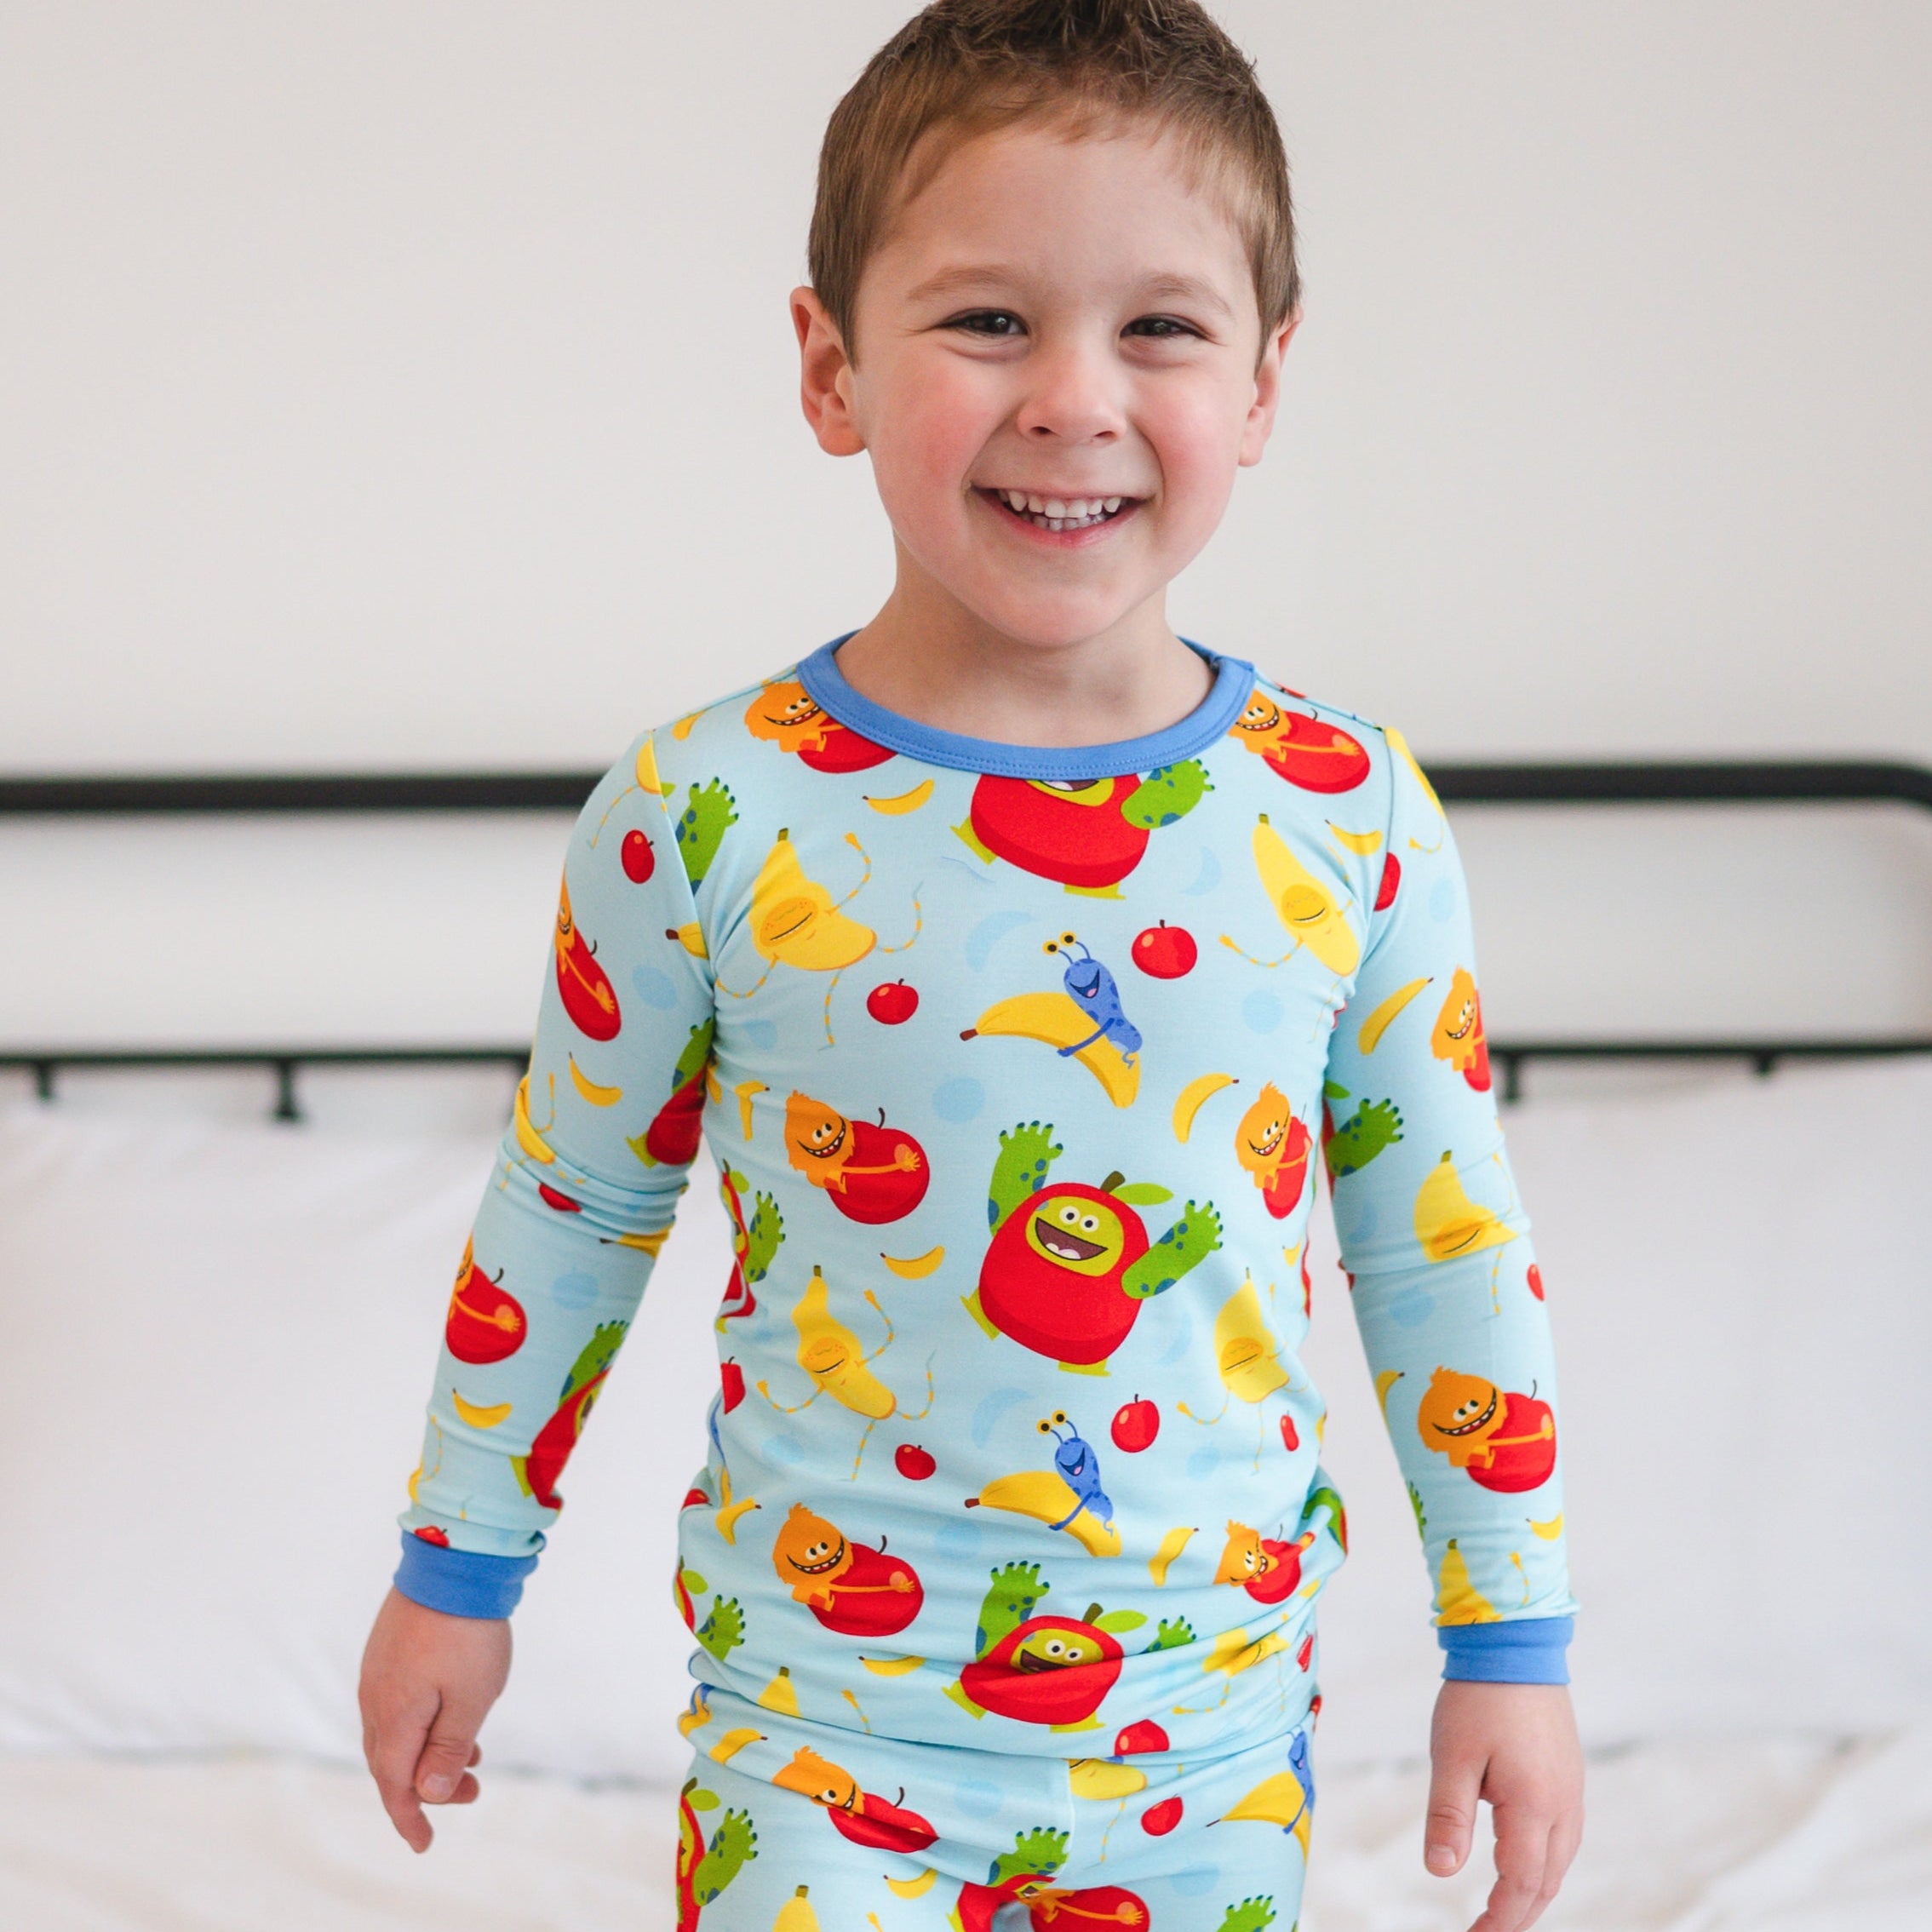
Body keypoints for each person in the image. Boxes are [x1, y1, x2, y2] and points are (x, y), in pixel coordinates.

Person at [358, 4, 1585, 1927]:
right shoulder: (703, 813)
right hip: (814, 1746)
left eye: (1159, 327)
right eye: (989, 320)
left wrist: (1507, 1640)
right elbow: (572, 1207)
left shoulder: (1347, 815)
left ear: (1264, 381)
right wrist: (457, 1568)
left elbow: (1440, 1245)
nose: (1073, 398)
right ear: (830, 367)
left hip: (1207, 1755)